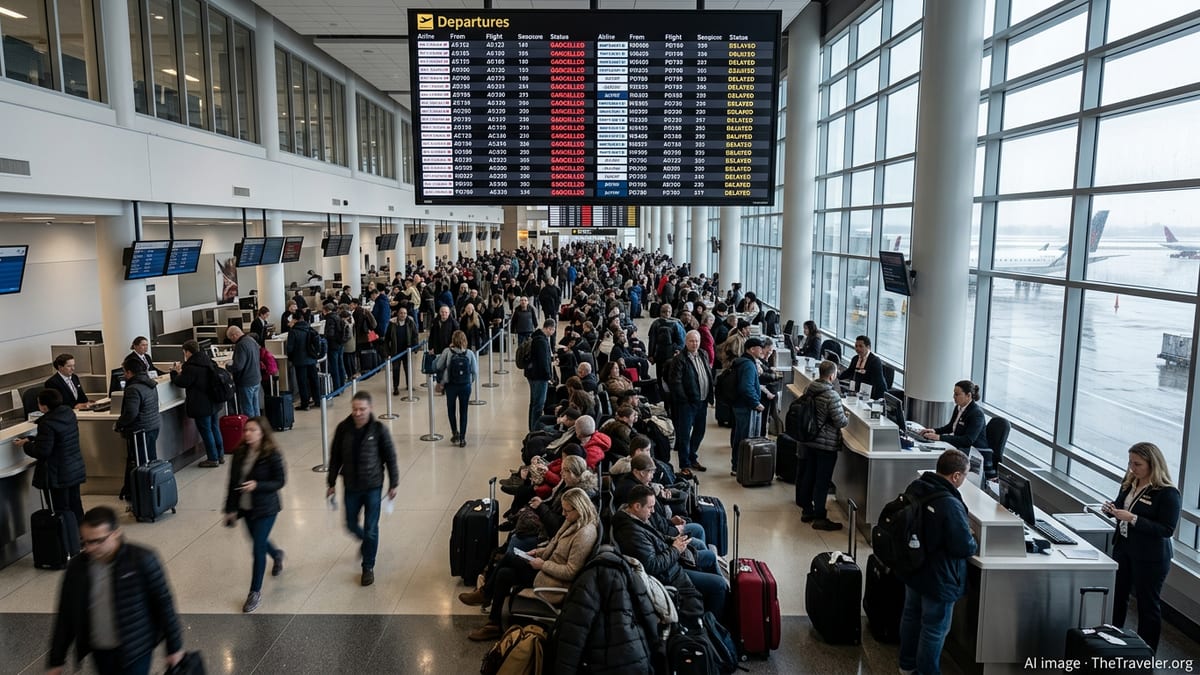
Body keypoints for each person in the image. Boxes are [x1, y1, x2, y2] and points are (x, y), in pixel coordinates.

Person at [47, 506, 184, 675]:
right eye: (86, 542)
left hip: (136, 650)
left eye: (98, 540)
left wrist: (174, 647)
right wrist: (56, 660)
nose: (90, 548)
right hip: (100, 651)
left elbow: (164, 604)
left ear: (116, 533)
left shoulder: (141, 560)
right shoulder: (77, 568)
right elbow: (66, 615)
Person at [461, 487, 600, 641]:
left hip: (553, 581)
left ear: (579, 508)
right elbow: (556, 545)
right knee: (503, 574)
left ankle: (486, 594)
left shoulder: (584, 535)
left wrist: (542, 565)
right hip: (546, 567)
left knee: (509, 557)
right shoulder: (574, 521)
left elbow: (571, 571)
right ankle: (493, 624)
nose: (563, 514)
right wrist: (538, 551)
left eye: (567, 511)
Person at [896, 450, 977, 675]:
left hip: (914, 566)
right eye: (965, 476)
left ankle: (906, 664)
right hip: (939, 577)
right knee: (934, 628)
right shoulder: (949, 503)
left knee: (911, 615)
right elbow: (963, 546)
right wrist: (972, 540)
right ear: (956, 476)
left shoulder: (917, 486)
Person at [1102, 442, 1182, 653]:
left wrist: (1133, 518)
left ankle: (1146, 653)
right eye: (1130, 462)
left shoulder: (1167, 493)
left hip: (1151, 557)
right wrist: (1111, 509)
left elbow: (1166, 529)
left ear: (1152, 464)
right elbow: (1121, 505)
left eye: (1137, 464)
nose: (1132, 468)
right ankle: (1112, 644)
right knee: (1118, 597)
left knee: (1147, 605)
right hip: (1125, 547)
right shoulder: (1130, 482)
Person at [611, 484, 715, 622]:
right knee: (718, 585)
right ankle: (713, 625)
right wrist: (675, 549)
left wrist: (673, 540)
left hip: (672, 566)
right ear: (636, 506)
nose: (653, 511)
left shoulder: (636, 519)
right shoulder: (631, 533)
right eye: (650, 507)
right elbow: (652, 566)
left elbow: (656, 536)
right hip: (669, 576)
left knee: (709, 556)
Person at [326, 392, 399, 587]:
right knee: (350, 523)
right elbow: (335, 457)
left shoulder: (378, 430)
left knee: (371, 529)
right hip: (351, 486)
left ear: (370, 408)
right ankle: (366, 543)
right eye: (354, 409)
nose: (358, 413)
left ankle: (368, 567)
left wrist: (394, 483)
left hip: (373, 486)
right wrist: (331, 482)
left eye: (362, 409)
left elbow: (390, 457)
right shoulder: (343, 429)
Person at [222, 417, 287, 613]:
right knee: (258, 540)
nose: (247, 434)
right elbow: (232, 482)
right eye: (246, 430)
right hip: (246, 507)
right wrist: (230, 509)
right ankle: (277, 555)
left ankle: (254, 592)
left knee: (257, 547)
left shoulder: (272, 454)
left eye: (252, 430)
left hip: (266, 508)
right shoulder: (240, 452)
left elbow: (280, 481)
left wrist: (258, 485)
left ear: (262, 433)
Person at [14, 388, 85, 524]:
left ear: (44, 406)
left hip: (57, 472)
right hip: (73, 467)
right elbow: (58, 439)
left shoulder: (46, 423)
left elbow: (42, 451)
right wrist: (31, 439)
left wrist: (25, 446)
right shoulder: (68, 413)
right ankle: (79, 534)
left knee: (61, 508)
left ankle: (67, 540)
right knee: (75, 504)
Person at [795, 360, 850, 531]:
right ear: (832, 376)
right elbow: (840, 422)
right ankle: (820, 516)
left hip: (810, 440)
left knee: (809, 475)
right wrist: (847, 416)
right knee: (822, 481)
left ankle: (807, 510)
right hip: (826, 444)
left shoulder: (810, 388)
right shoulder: (832, 396)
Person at [170, 340, 225, 468]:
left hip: (201, 404)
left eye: (184, 352)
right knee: (215, 428)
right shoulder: (208, 361)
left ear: (188, 352)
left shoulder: (191, 366)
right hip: (214, 401)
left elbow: (182, 382)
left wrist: (174, 373)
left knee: (206, 431)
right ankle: (220, 455)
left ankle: (212, 458)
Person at [918, 380, 991, 476]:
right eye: (954, 394)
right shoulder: (959, 407)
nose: (954, 397)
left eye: (957, 394)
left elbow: (968, 440)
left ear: (968, 395)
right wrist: (934, 431)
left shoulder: (976, 414)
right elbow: (951, 427)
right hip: (961, 448)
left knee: (944, 457)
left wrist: (939, 437)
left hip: (974, 453)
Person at [114, 356, 160, 501]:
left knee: (139, 462)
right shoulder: (150, 383)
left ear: (129, 372)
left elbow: (131, 413)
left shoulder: (133, 388)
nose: (123, 375)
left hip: (139, 430)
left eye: (124, 372)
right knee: (151, 460)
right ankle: (152, 488)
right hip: (153, 425)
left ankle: (140, 492)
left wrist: (119, 424)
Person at [668, 329, 713, 475]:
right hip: (687, 404)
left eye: (697, 341)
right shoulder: (679, 359)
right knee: (684, 434)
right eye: (692, 341)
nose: (695, 344)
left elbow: (707, 374)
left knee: (700, 431)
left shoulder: (703, 354)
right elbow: (675, 382)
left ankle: (692, 456)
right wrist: (684, 400)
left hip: (703, 401)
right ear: (686, 342)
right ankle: (684, 464)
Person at [434, 330, 479, 447]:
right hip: (465, 385)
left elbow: (439, 366)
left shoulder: (447, 351)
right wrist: (469, 381)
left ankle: (455, 433)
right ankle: (463, 438)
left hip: (451, 385)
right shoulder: (469, 353)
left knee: (451, 409)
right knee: (464, 411)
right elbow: (475, 371)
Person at [729, 337, 766, 475]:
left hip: (738, 405)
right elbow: (746, 387)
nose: (762, 351)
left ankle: (736, 465)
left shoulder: (742, 362)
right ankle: (739, 467)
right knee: (744, 438)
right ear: (751, 349)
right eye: (759, 348)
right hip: (745, 406)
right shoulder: (749, 366)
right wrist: (756, 403)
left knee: (739, 436)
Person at [284, 314, 321, 411]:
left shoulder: (293, 332)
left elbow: (290, 348)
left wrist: (291, 358)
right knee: (314, 380)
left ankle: (305, 403)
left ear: (295, 320)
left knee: (302, 382)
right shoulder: (309, 328)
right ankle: (318, 400)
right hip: (312, 359)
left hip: (300, 361)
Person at [524, 319, 556, 432]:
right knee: (538, 405)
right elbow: (543, 361)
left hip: (532, 374)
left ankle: (532, 427)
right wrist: (549, 377)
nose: (553, 332)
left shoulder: (535, 336)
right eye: (553, 330)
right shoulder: (541, 341)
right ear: (549, 328)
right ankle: (535, 429)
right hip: (539, 377)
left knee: (533, 403)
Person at [225, 326, 262, 417]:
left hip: (246, 381)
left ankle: (251, 428)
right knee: (255, 407)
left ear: (234, 335)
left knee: (247, 408)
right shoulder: (251, 340)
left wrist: (228, 367)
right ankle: (258, 427)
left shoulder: (241, 344)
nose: (232, 341)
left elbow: (238, 366)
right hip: (256, 378)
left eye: (231, 338)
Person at [839, 335, 888, 399]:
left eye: (861, 346)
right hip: (858, 391)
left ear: (868, 347)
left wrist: (880, 400)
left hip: (870, 394)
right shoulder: (855, 358)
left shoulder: (875, 361)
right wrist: (837, 376)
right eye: (856, 346)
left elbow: (879, 382)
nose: (857, 349)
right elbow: (849, 372)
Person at [386, 306, 419, 394]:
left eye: (404, 313)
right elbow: (387, 338)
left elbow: (415, 335)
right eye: (401, 313)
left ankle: (409, 385)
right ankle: (395, 387)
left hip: (406, 351)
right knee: (396, 370)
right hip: (395, 351)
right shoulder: (392, 323)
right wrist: (388, 352)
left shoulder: (410, 322)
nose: (403, 315)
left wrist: (415, 347)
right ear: (398, 314)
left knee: (408, 369)